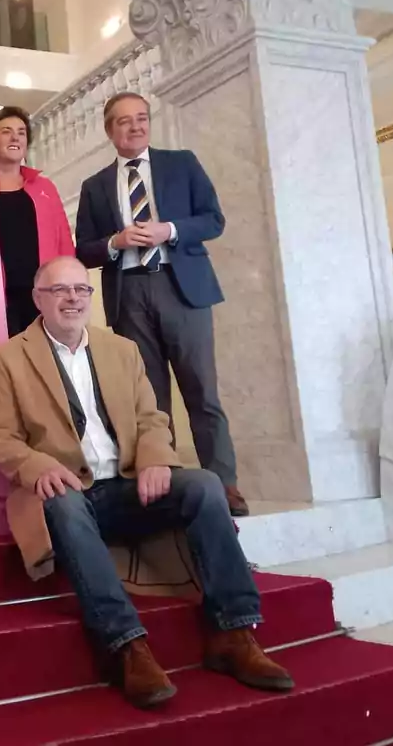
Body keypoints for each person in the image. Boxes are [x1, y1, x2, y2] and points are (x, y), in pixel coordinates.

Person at [0, 256, 292, 710]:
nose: (72, 299)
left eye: (80, 290)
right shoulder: (8, 360)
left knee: (205, 486)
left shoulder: (121, 350)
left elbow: (152, 418)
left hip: (128, 485)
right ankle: (127, 647)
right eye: (59, 291)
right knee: (63, 503)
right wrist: (37, 467)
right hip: (69, 491)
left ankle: (234, 632)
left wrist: (155, 460)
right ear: (38, 299)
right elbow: (0, 436)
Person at [73, 91, 248, 517]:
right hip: (128, 292)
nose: (135, 127)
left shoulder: (181, 163)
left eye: (142, 119)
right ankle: (166, 481)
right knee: (148, 400)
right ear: (109, 130)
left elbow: (213, 219)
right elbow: (83, 250)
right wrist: (115, 242)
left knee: (202, 390)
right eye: (124, 121)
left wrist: (168, 230)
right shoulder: (95, 186)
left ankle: (224, 484)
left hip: (181, 287)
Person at [0, 106, 75, 337]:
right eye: (6, 131)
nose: (15, 137)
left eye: (21, 132)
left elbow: (63, 240)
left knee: (45, 362)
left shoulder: (45, 188)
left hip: (42, 295)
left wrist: (69, 286)